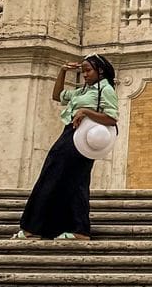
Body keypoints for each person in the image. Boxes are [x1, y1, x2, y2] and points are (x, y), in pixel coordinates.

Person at [13, 55, 118, 240]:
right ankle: (73, 229)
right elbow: (57, 95)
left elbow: (112, 118)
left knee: (55, 176)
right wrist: (62, 71)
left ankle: (37, 228)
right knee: (72, 182)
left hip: (83, 138)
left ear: (100, 70)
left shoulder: (106, 89)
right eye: (83, 70)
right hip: (70, 133)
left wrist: (85, 111)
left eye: (88, 70)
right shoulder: (85, 90)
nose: (84, 74)